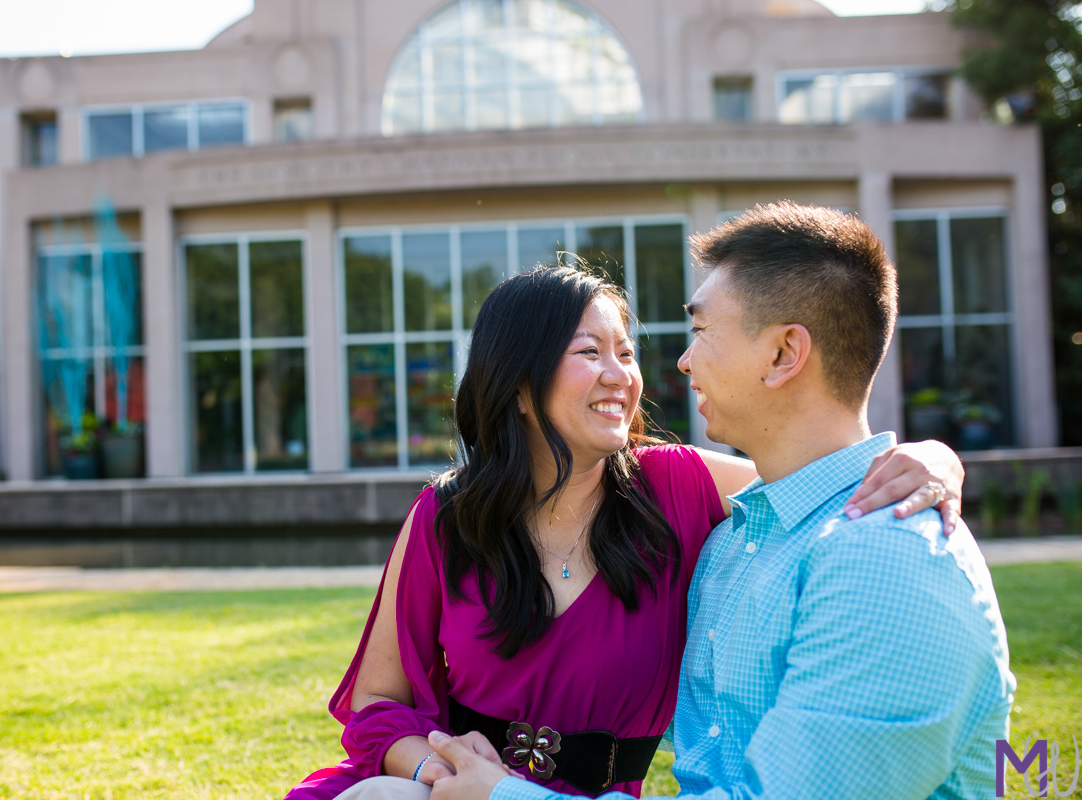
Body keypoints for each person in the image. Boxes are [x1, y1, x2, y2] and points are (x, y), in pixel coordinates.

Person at [286, 259, 964, 800]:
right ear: (519, 385)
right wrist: (436, 770)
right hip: (448, 790)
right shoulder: (446, 516)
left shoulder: (678, 485)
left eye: (627, 351)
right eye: (591, 352)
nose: (623, 376)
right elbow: (377, 700)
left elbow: (817, 482)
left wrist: (936, 458)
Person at [427, 203, 1014, 800]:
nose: (682, 361)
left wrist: (502, 796)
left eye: (702, 332)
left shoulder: (885, 558)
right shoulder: (735, 541)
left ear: (784, 354)